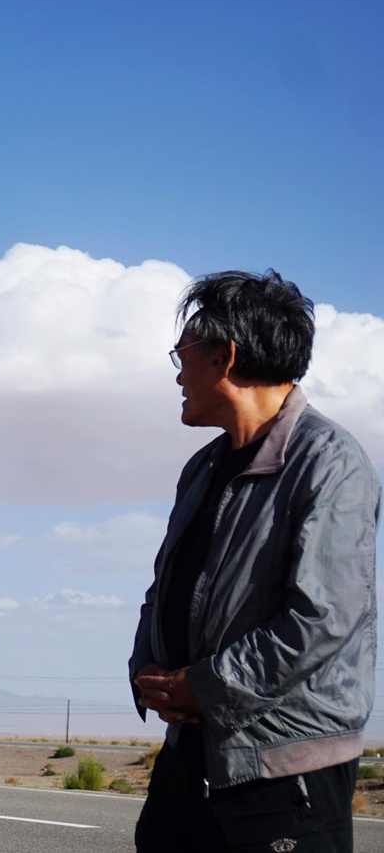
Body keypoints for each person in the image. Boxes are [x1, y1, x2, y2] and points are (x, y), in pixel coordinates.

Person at [130, 270, 379, 852]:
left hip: (282, 769)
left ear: (225, 357)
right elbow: (163, 588)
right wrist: (150, 676)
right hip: (190, 755)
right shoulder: (200, 468)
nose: (177, 373)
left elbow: (323, 618)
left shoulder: (330, 462)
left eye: (183, 354)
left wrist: (205, 687)